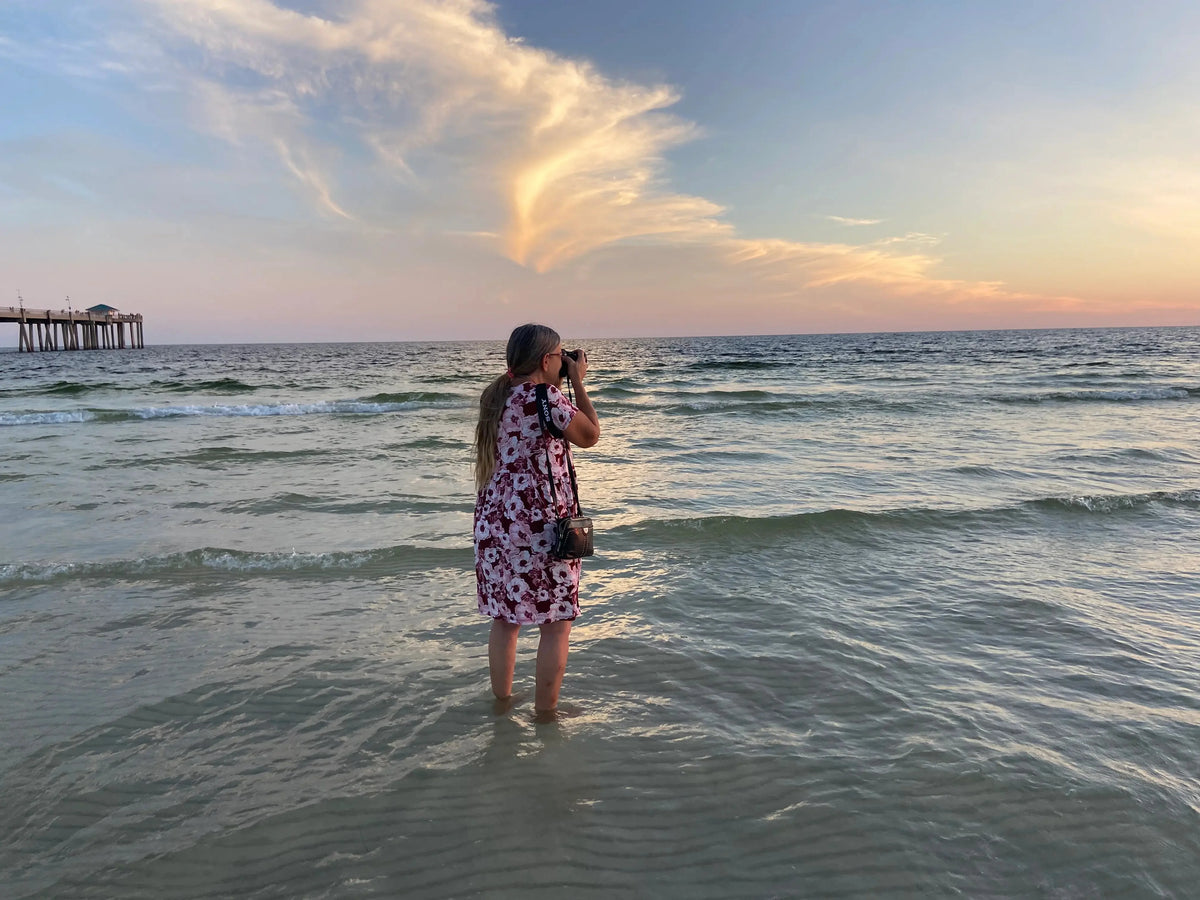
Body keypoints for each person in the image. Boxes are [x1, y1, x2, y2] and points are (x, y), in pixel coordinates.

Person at [473, 323, 600, 718]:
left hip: (496, 523)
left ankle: (503, 705)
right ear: (547, 361)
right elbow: (590, 435)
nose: (565, 362)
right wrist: (578, 383)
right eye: (561, 356)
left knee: (505, 619)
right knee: (557, 622)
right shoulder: (548, 396)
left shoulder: (497, 395)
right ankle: (546, 714)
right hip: (541, 527)